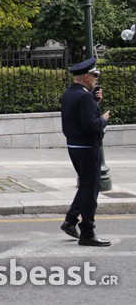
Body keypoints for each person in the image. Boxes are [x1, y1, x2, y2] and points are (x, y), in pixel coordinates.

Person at [60, 58, 111, 247]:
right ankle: (87, 232)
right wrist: (104, 118)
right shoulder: (84, 96)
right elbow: (91, 125)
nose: (96, 79)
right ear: (86, 77)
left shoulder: (70, 93)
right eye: (94, 76)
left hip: (75, 146)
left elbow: (79, 117)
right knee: (91, 190)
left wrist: (95, 101)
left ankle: (71, 220)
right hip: (88, 148)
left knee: (87, 186)